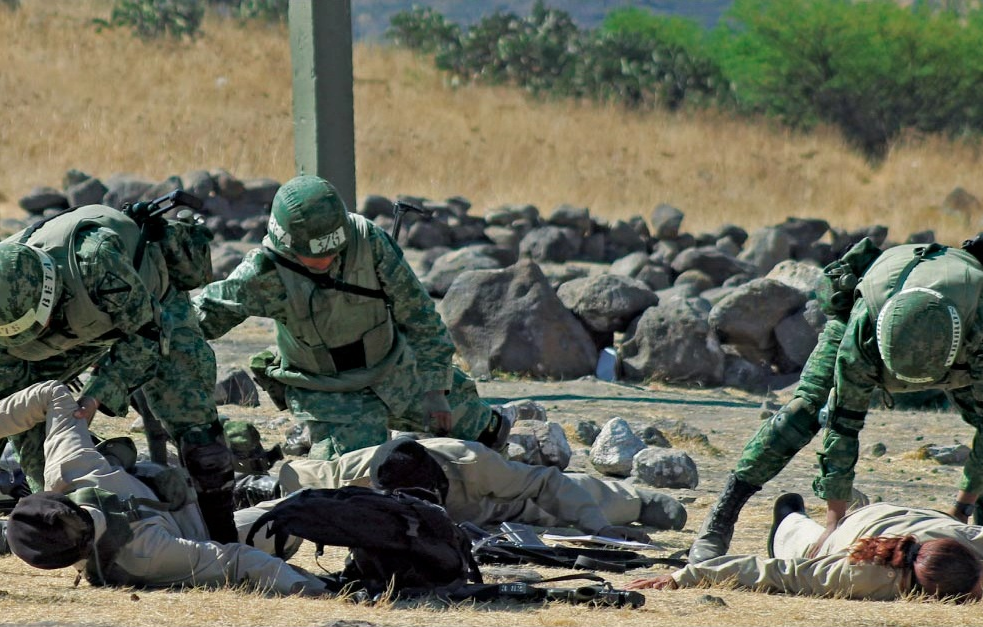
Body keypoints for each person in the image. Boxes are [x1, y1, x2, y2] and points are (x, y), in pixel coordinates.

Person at [689, 240, 983, 564]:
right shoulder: (863, 328)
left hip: (959, 348)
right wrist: (834, 521)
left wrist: (959, 514)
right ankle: (719, 520)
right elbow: (842, 422)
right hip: (874, 325)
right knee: (801, 413)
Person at [192, 175, 510, 460]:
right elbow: (201, 316)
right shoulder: (263, 274)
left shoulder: (368, 241)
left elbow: (420, 316)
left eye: (333, 251)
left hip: (395, 367)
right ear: (286, 244)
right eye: (314, 256)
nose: (327, 260)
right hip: (330, 392)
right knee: (357, 477)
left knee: (483, 431)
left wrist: (436, 389)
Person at [0, 205, 238, 543]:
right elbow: (12, 406)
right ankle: (70, 536)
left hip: (151, 304)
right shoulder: (6, 312)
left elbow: (147, 337)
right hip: (69, 329)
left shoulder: (98, 261)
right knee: (40, 453)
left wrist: (98, 393)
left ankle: (223, 534)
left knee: (192, 417)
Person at [0, 380, 326, 596]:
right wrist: (316, 589)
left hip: (180, 492)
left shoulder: (72, 470)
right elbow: (237, 560)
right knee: (301, 512)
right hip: (204, 534)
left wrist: (92, 399)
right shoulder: (147, 555)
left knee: (309, 501)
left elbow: (52, 394)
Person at [631, 493, 983, 601]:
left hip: (905, 516)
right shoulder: (865, 574)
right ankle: (789, 514)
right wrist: (683, 575)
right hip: (855, 532)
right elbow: (776, 574)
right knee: (798, 543)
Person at [235, 436, 687, 542]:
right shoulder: (362, 470)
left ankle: (636, 499)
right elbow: (304, 482)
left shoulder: (477, 464)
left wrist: (598, 532)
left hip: (494, 506)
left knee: (556, 510)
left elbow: (546, 483)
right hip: (450, 518)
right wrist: (255, 488)